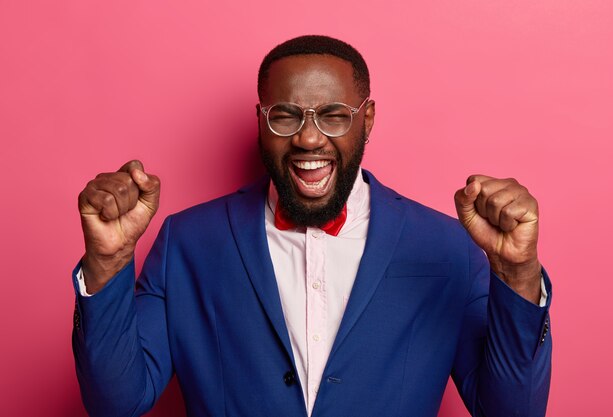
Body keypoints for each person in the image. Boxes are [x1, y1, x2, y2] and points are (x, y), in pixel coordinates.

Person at [72, 35, 551, 417]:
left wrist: (517, 274)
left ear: (367, 120)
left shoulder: (448, 246)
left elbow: (511, 411)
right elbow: (116, 403)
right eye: (284, 116)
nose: (307, 137)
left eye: (334, 116)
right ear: (260, 120)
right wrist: (107, 260)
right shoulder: (188, 243)